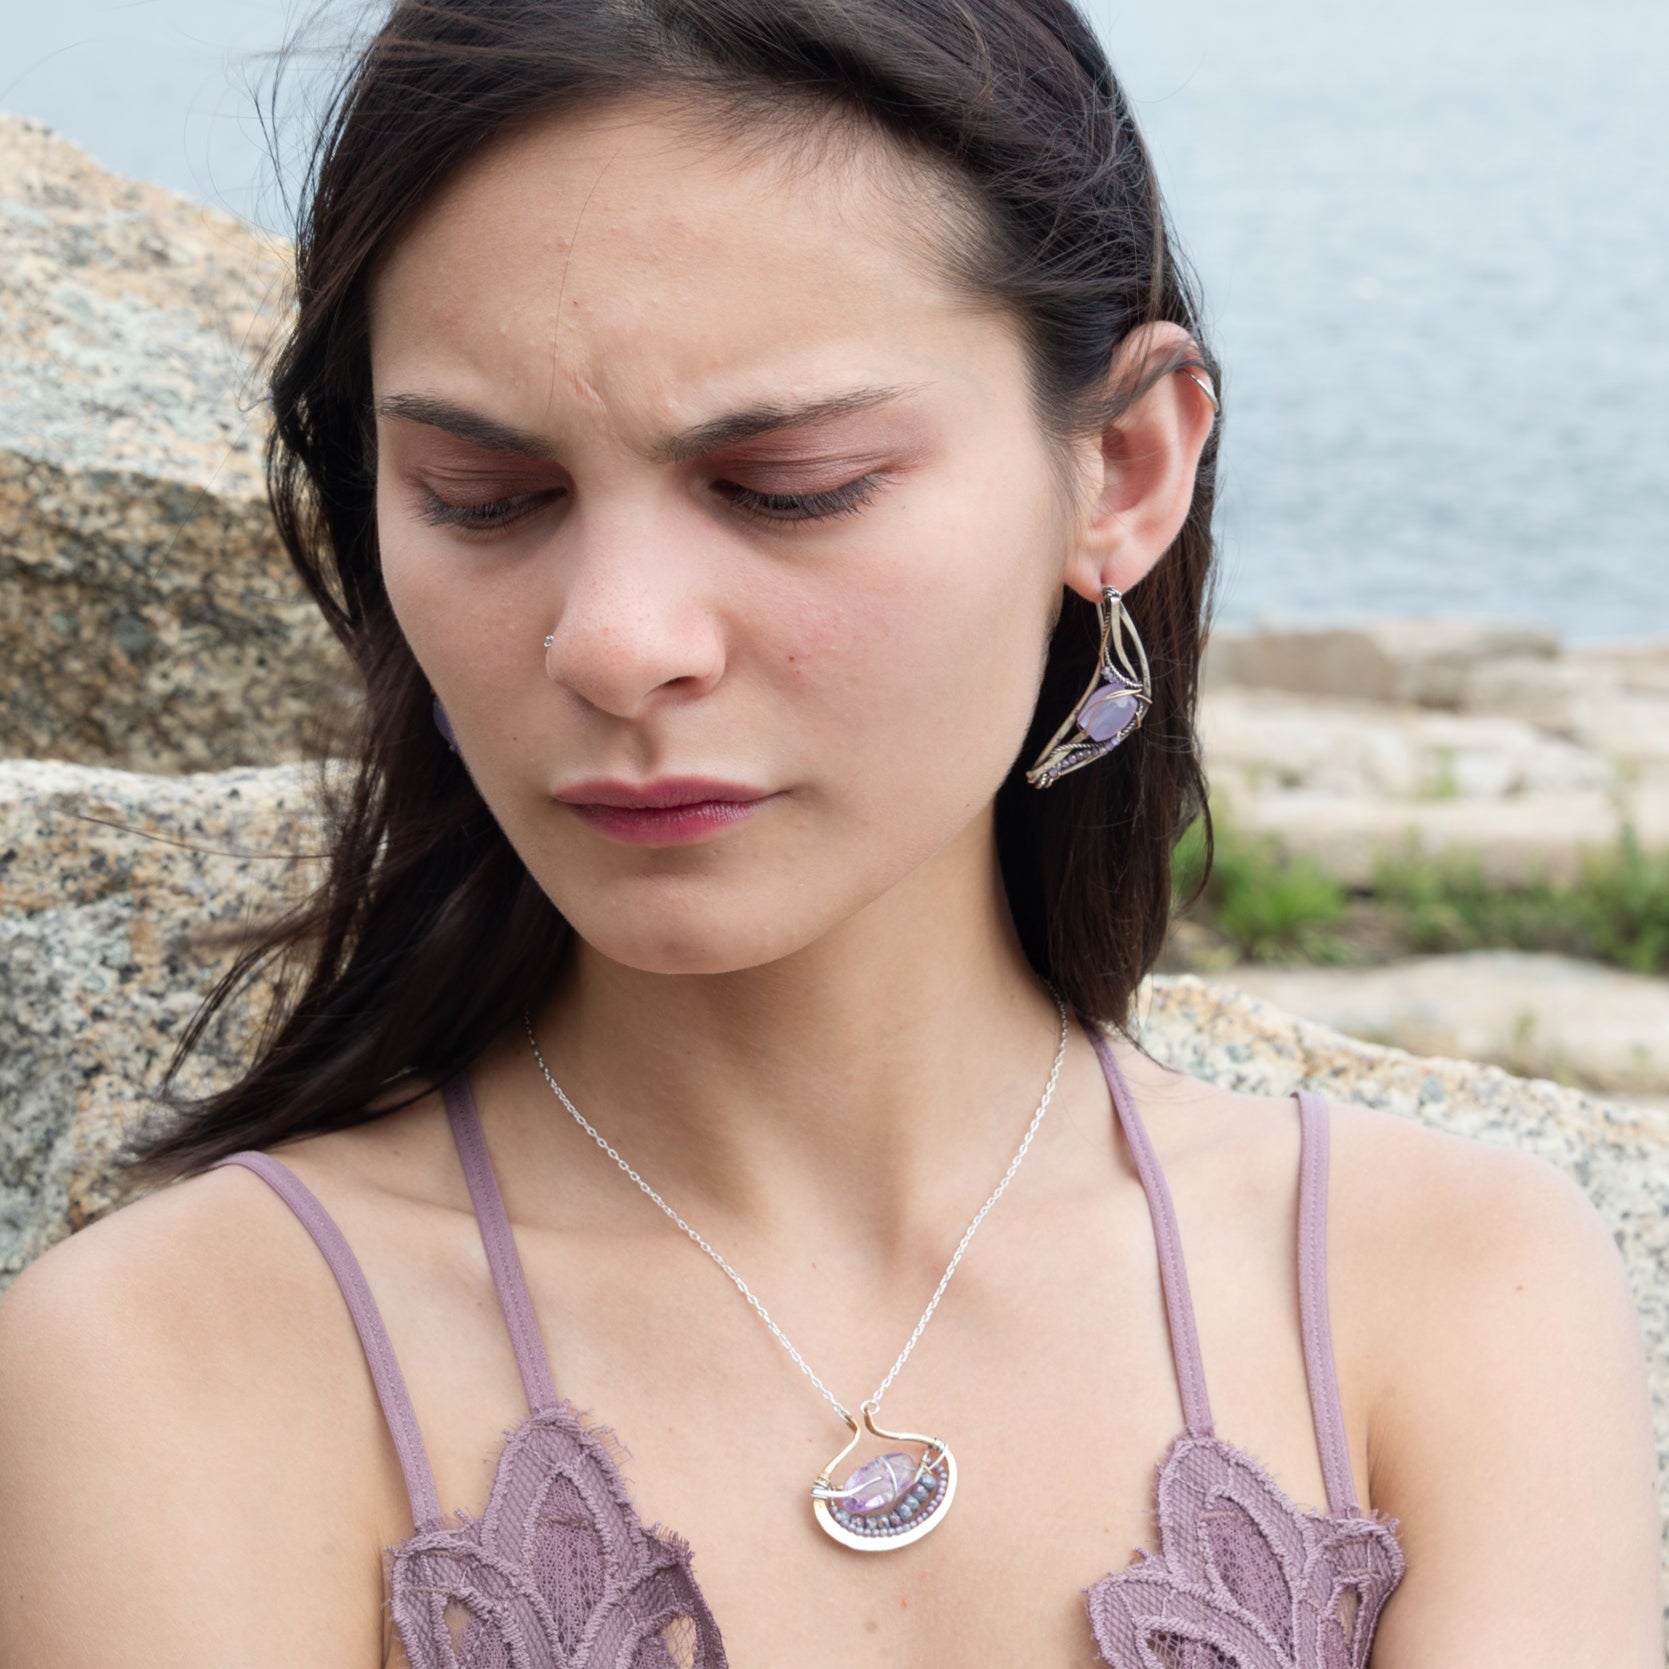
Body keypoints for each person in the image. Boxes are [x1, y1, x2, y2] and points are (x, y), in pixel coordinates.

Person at [0, 0, 1660, 1663]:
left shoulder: (1445, 1291)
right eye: (483, 500)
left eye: (788, 483)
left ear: (1125, 469)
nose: (616, 639)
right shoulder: (175, 1355)